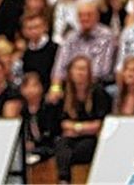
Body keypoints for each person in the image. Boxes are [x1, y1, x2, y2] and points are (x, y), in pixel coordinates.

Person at [55, 56, 110, 184]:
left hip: (91, 139)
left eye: (83, 69)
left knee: (80, 149)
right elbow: (62, 124)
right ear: (70, 72)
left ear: (89, 72)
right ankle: (64, 180)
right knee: (61, 144)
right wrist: (85, 127)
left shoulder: (98, 92)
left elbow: (99, 124)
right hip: (70, 138)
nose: (80, 73)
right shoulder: (64, 93)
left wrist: (76, 128)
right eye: (77, 69)